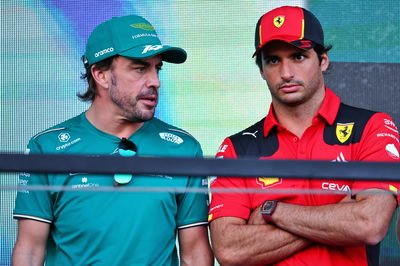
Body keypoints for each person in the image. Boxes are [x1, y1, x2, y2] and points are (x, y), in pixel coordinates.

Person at [13, 15, 213, 265]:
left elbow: (195, 255)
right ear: (101, 74)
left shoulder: (184, 148)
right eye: (140, 68)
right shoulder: (47, 147)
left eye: (157, 68)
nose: (155, 82)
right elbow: (30, 251)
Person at [208, 6, 400, 266]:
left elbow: (370, 224)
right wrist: (339, 217)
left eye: (298, 56)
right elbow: (230, 251)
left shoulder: (371, 127)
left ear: (323, 60)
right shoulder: (237, 148)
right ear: (261, 70)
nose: (286, 73)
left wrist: (271, 211)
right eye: (273, 60)